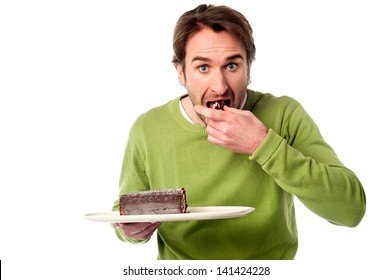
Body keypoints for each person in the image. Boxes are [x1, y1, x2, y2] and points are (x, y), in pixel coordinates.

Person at [112, 4, 366, 260]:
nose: (219, 87)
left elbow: (350, 211)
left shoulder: (284, 114)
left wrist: (263, 145)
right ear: (181, 72)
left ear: (249, 68)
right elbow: (123, 216)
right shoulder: (148, 128)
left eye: (231, 66)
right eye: (203, 68)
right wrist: (133, 232)